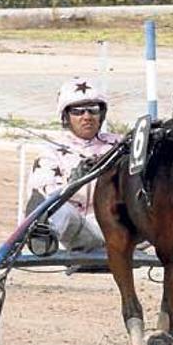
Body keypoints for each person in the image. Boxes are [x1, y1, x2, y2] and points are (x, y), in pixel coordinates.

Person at [27, 77, 120, 252]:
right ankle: (41, 239)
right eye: (78, 111)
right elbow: (45, 196)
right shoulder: (51, 151)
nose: (87, 117)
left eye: (93, 110)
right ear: (66, 116)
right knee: (63, 211)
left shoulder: (120, 145)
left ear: (102, 114)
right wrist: (73, 183)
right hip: (81, 231)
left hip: (120, 228)